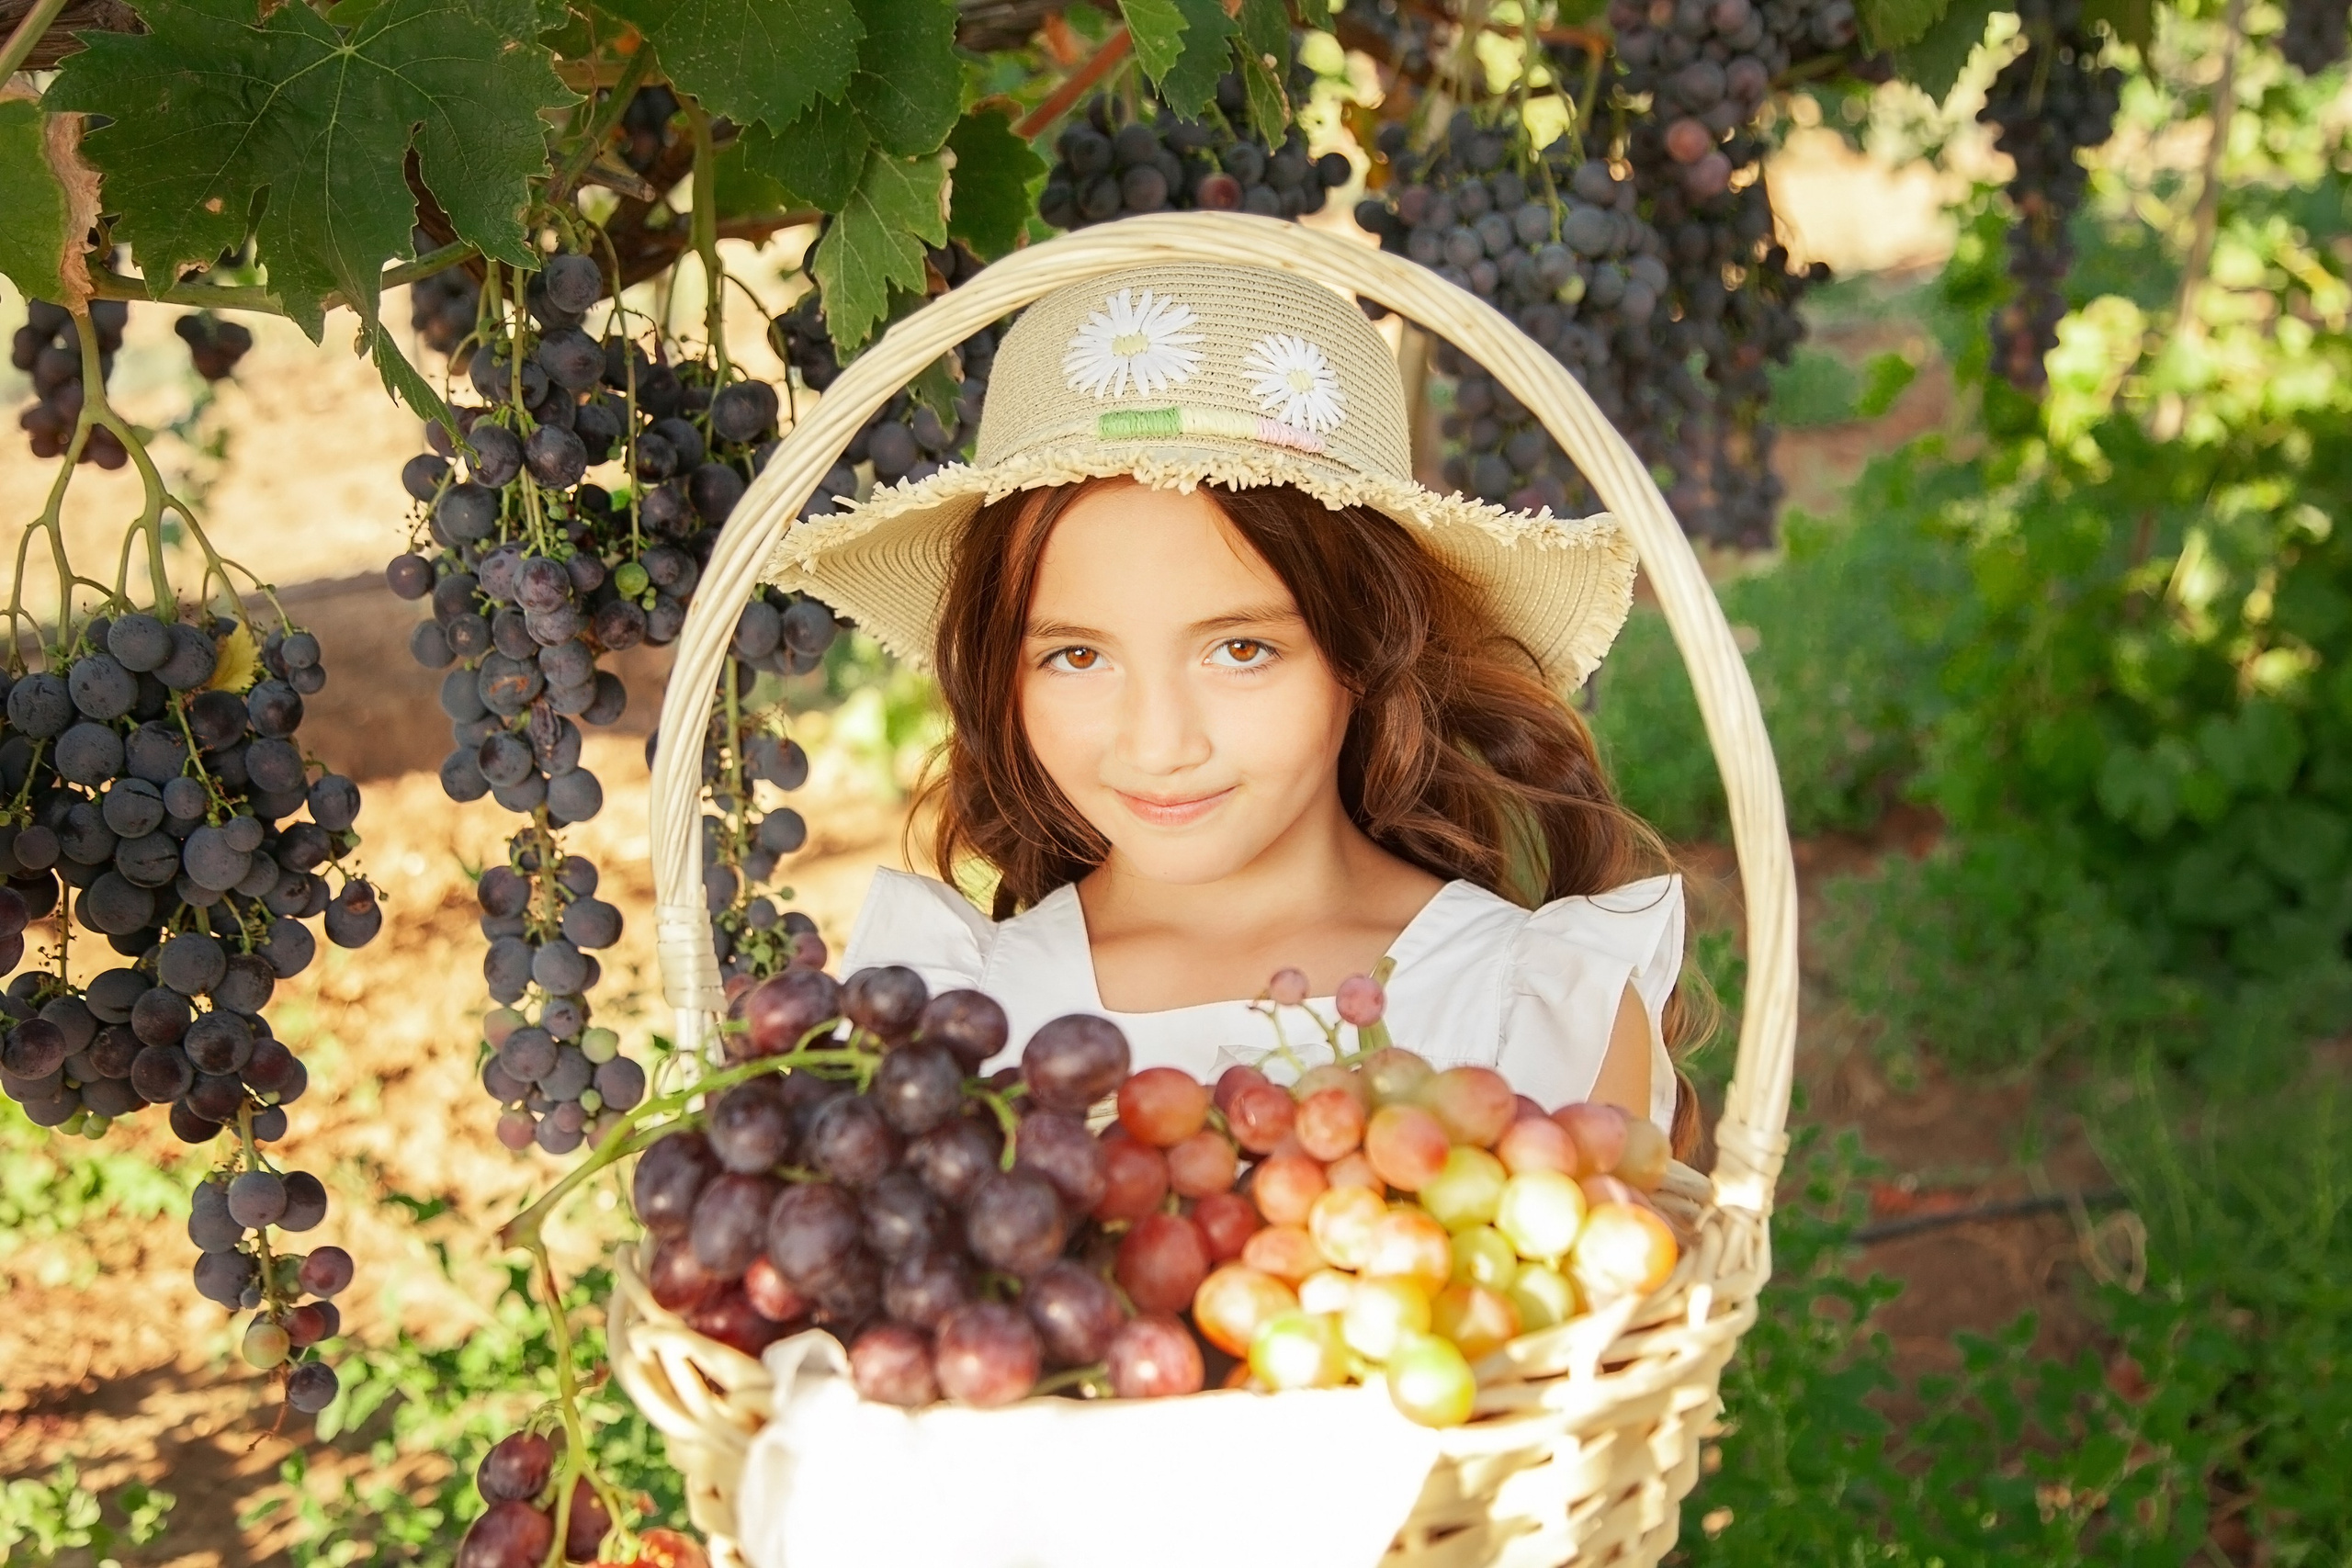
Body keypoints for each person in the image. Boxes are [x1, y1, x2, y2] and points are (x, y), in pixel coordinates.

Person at [770, 263, 1703, 1155]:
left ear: (1366, 648)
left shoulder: (1529, 1006)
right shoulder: (951, 1015)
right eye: (1077, 655)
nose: (1160, 742)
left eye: (1240, 650)